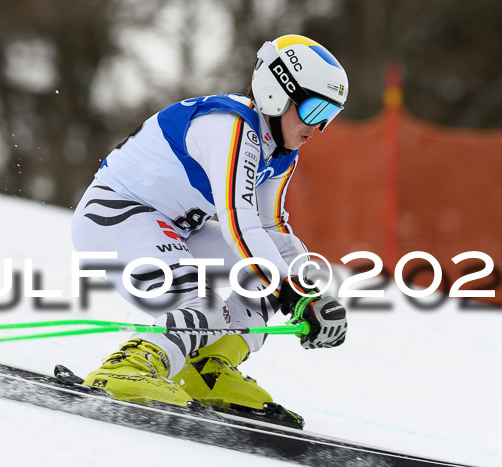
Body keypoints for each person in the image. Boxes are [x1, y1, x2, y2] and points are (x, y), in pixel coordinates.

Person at [71, 34, 348, 422]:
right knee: (207, 303)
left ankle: (207, 368)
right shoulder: (230, 126)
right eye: (315, 110)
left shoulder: (281, 151)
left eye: (328, 117)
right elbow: (239, 222)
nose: (316, 128)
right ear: (277, 92)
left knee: (285, 252)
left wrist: (308, 295)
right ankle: (128, 367)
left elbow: (270, 229)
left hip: (175, 230)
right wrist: (293, 293)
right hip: (115, 218)